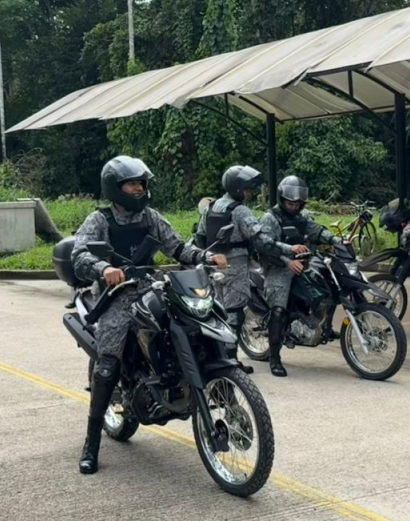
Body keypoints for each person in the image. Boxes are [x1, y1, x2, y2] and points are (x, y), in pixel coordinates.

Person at [70, 156, 227, 475]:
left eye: (142, 183)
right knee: (108, 363)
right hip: (116, 295)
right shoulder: (99, 220)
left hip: (149, 286)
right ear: (115, 188)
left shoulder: (150, 216)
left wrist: (206, 256)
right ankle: (91, 444)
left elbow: (178, 248)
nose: (138, 189)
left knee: (191, 322)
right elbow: (80, 254)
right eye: (132, 184)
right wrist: (105, 269)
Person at [191, 165, 292, 337]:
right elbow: (260, 238)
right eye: (246, 190)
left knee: (218, 312)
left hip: (214, 268)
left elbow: (199, 237)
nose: (249, 194)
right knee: (235, 314)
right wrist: (288, 248)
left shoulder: (210, 207)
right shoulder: (240, 210)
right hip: (236, 269)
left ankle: (221, 356)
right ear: (236, 188)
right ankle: (232, 358)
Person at [257, 175, 337, 377]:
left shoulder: (303, 217)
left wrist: (334, 239)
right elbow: (264, 246)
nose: (293, 206)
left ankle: (323, 326)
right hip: (278, 267)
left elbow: (315, 230)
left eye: (297, 203)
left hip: (303, 262)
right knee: (278, 309)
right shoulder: (270, 218)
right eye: (290, 203)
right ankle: (274, 357)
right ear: (282, 200)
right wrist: (287, 262)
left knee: (330, 286)